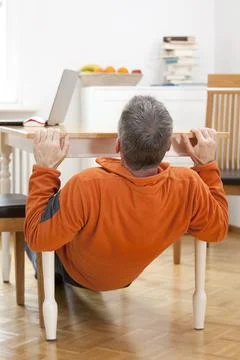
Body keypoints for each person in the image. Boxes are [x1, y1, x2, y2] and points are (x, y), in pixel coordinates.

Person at [24, 95, 228, 291]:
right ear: (167, 145)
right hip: (123, 279)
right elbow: (217, 230)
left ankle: (48, 273)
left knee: (31, 225)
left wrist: (45, 169)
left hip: (74, 272)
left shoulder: (86, 185)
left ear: (118, 144)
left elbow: (37, 239)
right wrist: (208, 166)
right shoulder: (189, 184)